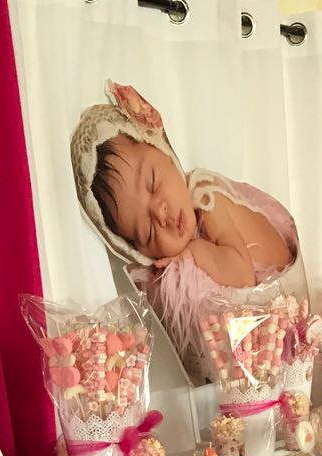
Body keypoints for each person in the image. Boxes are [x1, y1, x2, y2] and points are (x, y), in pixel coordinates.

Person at [71, 81, 308, 378]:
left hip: (291, 304)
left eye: (153, 182)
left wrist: (195, 251)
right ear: (138, 252)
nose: (161, 213)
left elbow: (242, 274)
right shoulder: (172, 272)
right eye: (147, 231)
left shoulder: (207, 197)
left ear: (167, 156)